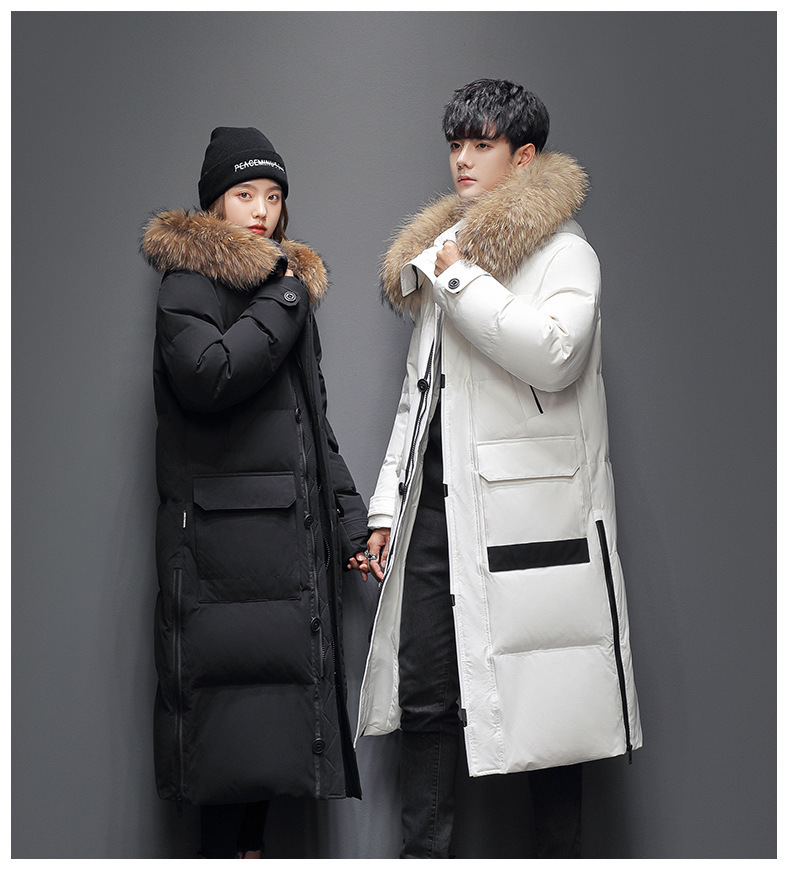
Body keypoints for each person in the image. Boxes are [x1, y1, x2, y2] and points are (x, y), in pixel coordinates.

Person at [354, 80, 643, 858]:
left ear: (524, 157)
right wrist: (386, 508)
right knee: (425, 700)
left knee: (550, 708)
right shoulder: (450, 252)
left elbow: (556, 356)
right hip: (436, 510)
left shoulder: (565, 252)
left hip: (529, 516)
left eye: (481, 145)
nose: (462, 160)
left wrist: (458, 279)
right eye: (456, 144)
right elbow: (418, 398)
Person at [142, 126, 370, 858]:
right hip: (222, 554)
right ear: (215, 202)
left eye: (273, 196)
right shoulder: (189, 281)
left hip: (284, 549)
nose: (262, 211)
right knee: (228, 741)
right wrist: (289, 296)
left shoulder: (282, 288)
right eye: (245, 194)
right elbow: (208, 375)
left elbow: (312, 421)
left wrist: (348, 520)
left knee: (267, 740)